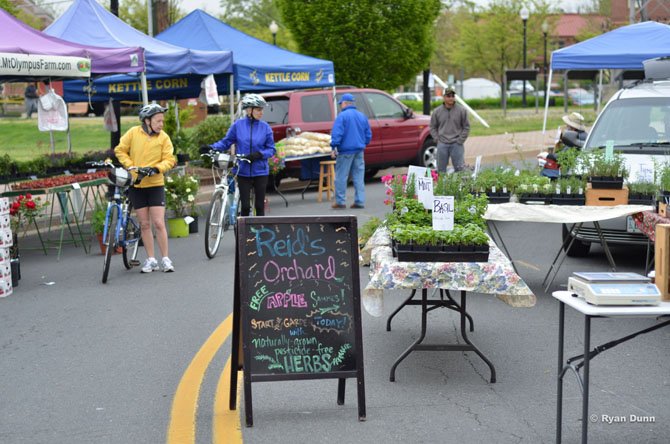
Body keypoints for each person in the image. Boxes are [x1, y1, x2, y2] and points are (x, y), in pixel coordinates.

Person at [115, 104, 177, 273]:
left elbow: (170, 159)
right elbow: (120, 150)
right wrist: (131, 166)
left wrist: (157, 168)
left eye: (162, 121)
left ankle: (165, 259)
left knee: (158, 222)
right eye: (158, 121)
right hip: (137, 185)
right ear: (147, 121)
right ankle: (151, 259)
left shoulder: (163, 138)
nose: (161, 124)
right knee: (144, 224)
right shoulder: (133, 133)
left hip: (155, 184)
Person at [200, 94, 275, 216]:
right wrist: (211, 147)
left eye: (262, 109)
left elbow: (271, 149)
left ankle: (260, 234)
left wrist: (259, 154)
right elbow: (226, 142)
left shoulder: (265, 128)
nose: (261, 112)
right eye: (258, 109)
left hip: (260, 171)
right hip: (242, 170)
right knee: (245, 207)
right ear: (249, 110)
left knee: (259, 206)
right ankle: (244, 234)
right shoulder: (238, 125)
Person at [330, 93, 372, 209]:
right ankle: (359, 201)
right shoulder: (361, 116)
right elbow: (368, 134)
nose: (340, 106)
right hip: (359, 150)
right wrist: (363, 144)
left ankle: (340, 201)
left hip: (345, 151)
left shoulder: (342, 116)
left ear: (344, 103)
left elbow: (337, 134)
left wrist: (334, 147)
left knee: (341, 177)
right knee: (358, 176)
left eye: (341, 104)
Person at [429, 86, 470, 173]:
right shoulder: (437, 111)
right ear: (444, 97)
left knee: (460, 170)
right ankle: (442, 186)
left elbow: (466, 127)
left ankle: (461, 187)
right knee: (441, 170)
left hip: (457, 144)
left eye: (452, 96)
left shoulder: (462, 110)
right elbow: (432, 127)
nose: (451, 98)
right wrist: (437, 139)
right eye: (448, 96)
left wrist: (460, 140)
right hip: (442, 144)